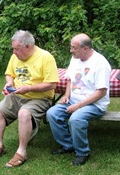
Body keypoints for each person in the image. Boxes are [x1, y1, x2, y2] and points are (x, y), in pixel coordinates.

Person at [0, 30, 59, 168]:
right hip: (17, 95)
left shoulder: (46, 57)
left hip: (39, 98)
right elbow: (9, 74)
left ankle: (21, 152)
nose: (14, 52)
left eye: (17, 49)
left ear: (28, 46)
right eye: (13, 49)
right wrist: (9, 82)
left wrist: (28, 88)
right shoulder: (15, 57)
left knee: (24, 113)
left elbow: (52, 84)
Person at [46, 33, 111, 166]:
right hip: (73, 100)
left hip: (94, 104)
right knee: (52, 113)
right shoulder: (75, 58)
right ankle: (68, 145)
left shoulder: (100, 63)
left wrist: (78, 106)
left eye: (74, 48)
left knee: (76, 118)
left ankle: (82, 152)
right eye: (71, 47)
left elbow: (101, 92)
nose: (71, 51)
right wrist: (66, 95)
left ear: (85, 48)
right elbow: (70, 78)